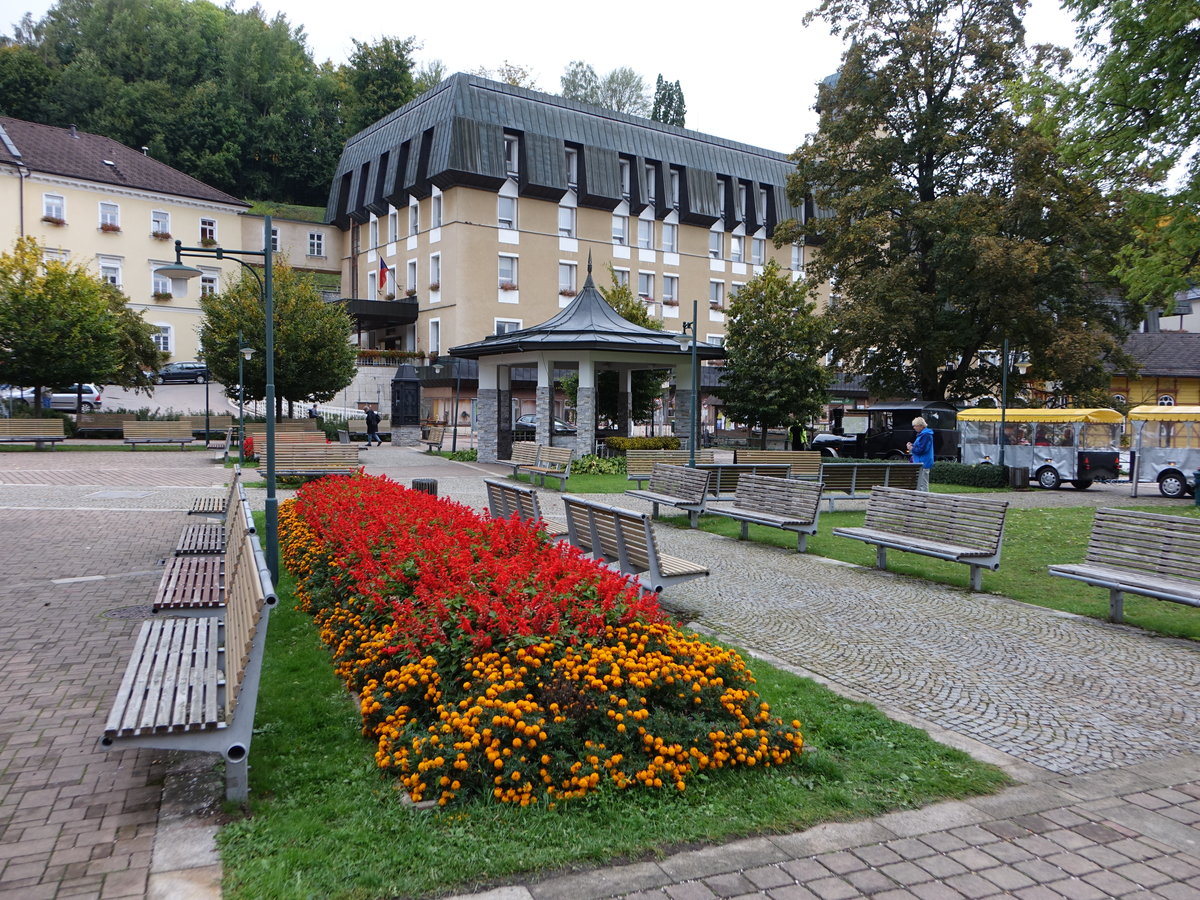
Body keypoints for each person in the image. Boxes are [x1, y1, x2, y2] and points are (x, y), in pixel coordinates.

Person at [906, 416, 935, 491]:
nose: (914, 427)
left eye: (915, 426)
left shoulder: (925, 435)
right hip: (921, 461)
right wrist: (912, 445)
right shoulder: (924, 434)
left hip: (923, 462)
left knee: (922, 484)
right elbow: (921, 447)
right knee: (921, 483)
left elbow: (921, 450)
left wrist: (911, 448)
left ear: (921, 426)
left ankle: (924, 500)